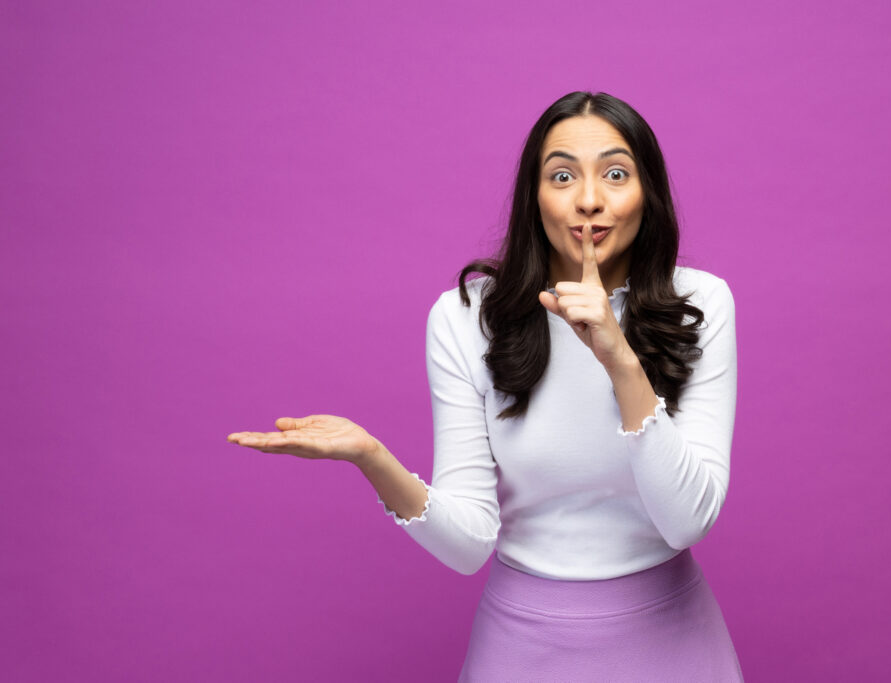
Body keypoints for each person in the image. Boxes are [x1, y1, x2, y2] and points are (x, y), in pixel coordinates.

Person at [227, 91, 742, 681]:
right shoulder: (466, 317)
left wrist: (618, 357)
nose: (589, 200)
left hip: (673, 647)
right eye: (563, 176)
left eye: (616, 174)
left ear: (647, 192)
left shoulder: (700, 304)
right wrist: (371, 457)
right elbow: (468, 545)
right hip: (522, 650)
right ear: (534, 196)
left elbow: (688, 521)